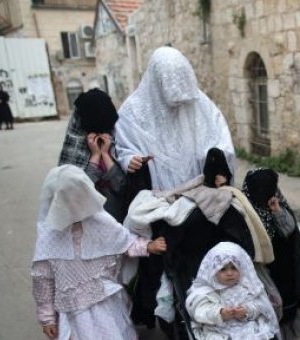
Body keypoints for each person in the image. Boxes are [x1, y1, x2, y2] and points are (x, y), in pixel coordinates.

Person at [31, 165, 167, 340]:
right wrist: (47, 318)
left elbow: (123, 240)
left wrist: (147, 246)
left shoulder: (98, 220)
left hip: (105, 302)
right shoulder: (49, 236)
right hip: (72, 311)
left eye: (79, 198)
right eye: (67, 201)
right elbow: (42, 280)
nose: (75, 206)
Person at [115, 46, 235, 192]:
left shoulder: (199, 104)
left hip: (200, 196)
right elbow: (122, 146)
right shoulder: (132, 110)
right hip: (158, 200)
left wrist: (216, 160)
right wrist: (128, 158)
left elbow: (220, 138)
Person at [242, 168, 300, 339]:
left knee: (289, 317)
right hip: (262, 277)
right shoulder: (244, 214)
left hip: (285, 274)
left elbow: (289, 229)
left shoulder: (278, 204)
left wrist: (277, 211)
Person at [58, 89, 128, 222]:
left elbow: (122, 187)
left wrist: (105, 155)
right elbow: (75, 192)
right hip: (86, 222)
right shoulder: (74, 145)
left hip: (118, 221)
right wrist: (95, 156)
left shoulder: (118, 141)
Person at [185, 242, 279, 340]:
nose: (229, 273)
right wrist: (219, 313)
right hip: (218, 330)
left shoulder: (248, 287)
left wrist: (247, 311)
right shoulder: (206, 291)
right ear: (213, 270)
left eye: (234, 268)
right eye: (223, 269)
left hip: (246, 328)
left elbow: (260, 307)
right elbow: (199, 312)